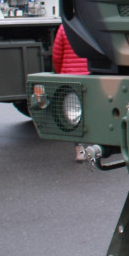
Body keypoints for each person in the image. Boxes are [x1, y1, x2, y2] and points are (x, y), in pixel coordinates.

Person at [52, 25, 89, 162]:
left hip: (70, 78)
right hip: (90, 76)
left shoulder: (63, 28)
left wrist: (60, 73)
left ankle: (79, 149)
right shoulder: (91, 23)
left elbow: (57, 54)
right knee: (90, 113)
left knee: (74, 116)